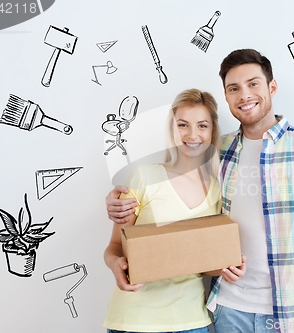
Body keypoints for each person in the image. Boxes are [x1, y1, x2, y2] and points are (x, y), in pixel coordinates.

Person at [106, 50, 294, 333]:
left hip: (292, 314)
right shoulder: (218, 152)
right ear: (226, 96)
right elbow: (172, 182)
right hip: (227, 311)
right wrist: (115, 199)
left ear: (272, 87)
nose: (244, 95)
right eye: (234, 88)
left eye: (253, 84)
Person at [103, 88, 246, 333]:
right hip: (135, 320)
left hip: (192, 321)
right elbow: (114, 246)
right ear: (172, 129)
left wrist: (226, 267)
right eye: (183, 125)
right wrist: (116, 265)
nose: (192, 135)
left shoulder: (217, 191)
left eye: (202, 126)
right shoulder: (144, 177)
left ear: (212, 132)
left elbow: (202, 264)